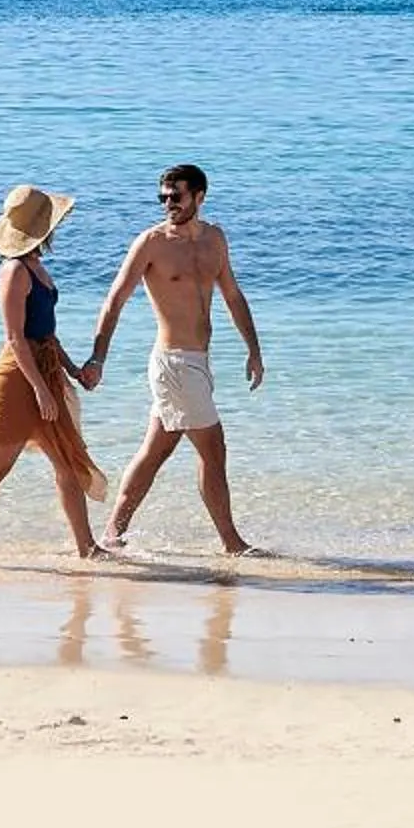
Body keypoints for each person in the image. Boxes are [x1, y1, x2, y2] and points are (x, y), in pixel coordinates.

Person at [78, 162, 268, 556]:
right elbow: (114, 299)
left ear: (199, 196)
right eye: (163, 196)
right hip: (173, 363)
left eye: (176, 196)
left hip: (197, 363)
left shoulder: (215, 239)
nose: (169, 203)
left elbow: (232, 295)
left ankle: (112, 535)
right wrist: (98, 357)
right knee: (214, 450)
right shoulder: (152, 243)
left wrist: (253, 348)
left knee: (155, 451)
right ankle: (232, 544)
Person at [0, 183, 109, 564]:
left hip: (45, 372)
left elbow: (45, 335)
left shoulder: (36, 265)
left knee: (67, 464)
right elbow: (16, 338)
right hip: (18, 381)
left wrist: (73, 371)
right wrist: (41, 390)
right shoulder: (14, 271)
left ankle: (87, 548)